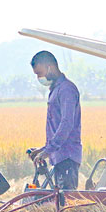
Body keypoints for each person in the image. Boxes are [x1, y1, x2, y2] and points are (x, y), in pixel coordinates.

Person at [28, 50, 82, 190]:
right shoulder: (55, 90)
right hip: (59, 156)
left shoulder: (66, 90)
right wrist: (43, 149)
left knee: (66, 202)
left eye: (40, 73)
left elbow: (66, 124)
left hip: (67, 157)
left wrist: (48, 150)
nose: (39, 78)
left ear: (49, 67)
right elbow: (56, 127)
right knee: (59, 201)